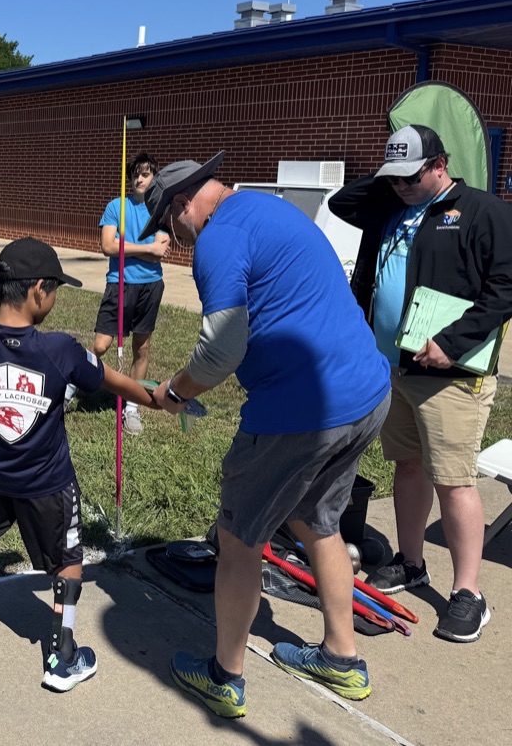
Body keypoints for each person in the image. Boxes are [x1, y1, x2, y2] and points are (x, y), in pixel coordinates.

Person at [140, 153, 391, 718]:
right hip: (367, 393)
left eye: (169, 224)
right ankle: (341, 658)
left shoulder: (218, 239)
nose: (173, 238)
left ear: (182, 204)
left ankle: (224, 677)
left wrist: (176, 390)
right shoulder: (264, 207)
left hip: (301, 412)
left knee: (239, 540)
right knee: (318, 521)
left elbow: (222, 348)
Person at [0, 236, 159, 692]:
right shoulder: (61, 350)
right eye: (54, 289)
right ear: (39, 290)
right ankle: (61, 657)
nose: (54, 298)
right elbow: (114, 381)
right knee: (68, 559)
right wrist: (155, 399)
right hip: (48, 486)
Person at [328, 123, 512, 642]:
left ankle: (468, 593)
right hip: (394, 367)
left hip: (449, 373)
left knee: (453, 479)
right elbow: (344, 201)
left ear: (440, 165)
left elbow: (505, 289)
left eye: (412, 176)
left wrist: (452, 342)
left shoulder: (483, 211)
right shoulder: (389, 206)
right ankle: (411, 563)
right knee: (407, 466)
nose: (402, 186)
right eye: (395, 177)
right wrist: (393, 179)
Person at [83, 152, 170, 435]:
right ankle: (71, 384)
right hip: (119, 283)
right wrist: (146, 248)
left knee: (141, 348)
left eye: (145, 174)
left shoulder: (161, 210)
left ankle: (132, 407)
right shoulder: (116, 206)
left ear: (154, 178)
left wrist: (125, 245)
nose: (139, 179)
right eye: (135, 175)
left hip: (150, 286)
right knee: (101, 345)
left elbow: (158, 254)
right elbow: (107, 247)